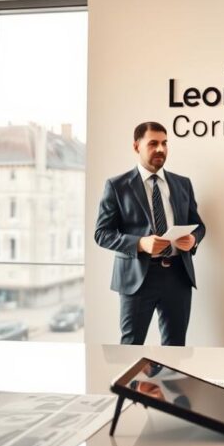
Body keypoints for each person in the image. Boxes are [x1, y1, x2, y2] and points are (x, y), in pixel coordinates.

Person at [94, 121, 206, 346]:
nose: (160, 149)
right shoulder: (117, 185)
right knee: (131, 346)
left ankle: (167, 383)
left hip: (178, 276)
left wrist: (193, 239)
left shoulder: (183, 184)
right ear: (136, 146)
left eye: (165, 143)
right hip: (137, 278)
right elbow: (102, 233)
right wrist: (140, 243)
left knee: (175, 347)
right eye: (153, 143)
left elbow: (198, 225)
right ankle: (130, 384)